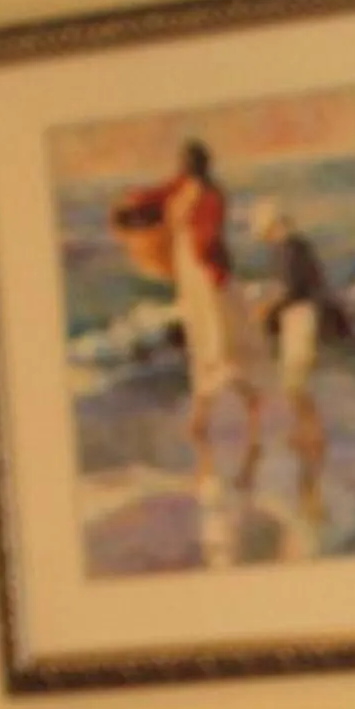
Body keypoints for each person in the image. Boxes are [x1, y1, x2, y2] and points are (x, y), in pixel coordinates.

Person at [110, 139, 261, 494]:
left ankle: (230, 414)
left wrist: (192, 237)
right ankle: (208, 415)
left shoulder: (211, 194)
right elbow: (154, 197)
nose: (183, 167)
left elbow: (209, 237)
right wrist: (132, 206)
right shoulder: (181, 187)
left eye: (187, 162)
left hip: (206, 275)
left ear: (196, 164)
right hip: (189, 272)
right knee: (202, 340)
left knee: (216, 340)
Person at [252, 203, 339, 519]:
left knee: (295, 381)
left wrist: (263, 309)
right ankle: (307, 432)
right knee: (295, 381)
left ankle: (310, 434)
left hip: (300, 318)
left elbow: (288, 290)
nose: (263, 239)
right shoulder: (297, 246)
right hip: (304, 316)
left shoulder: (287, 249)